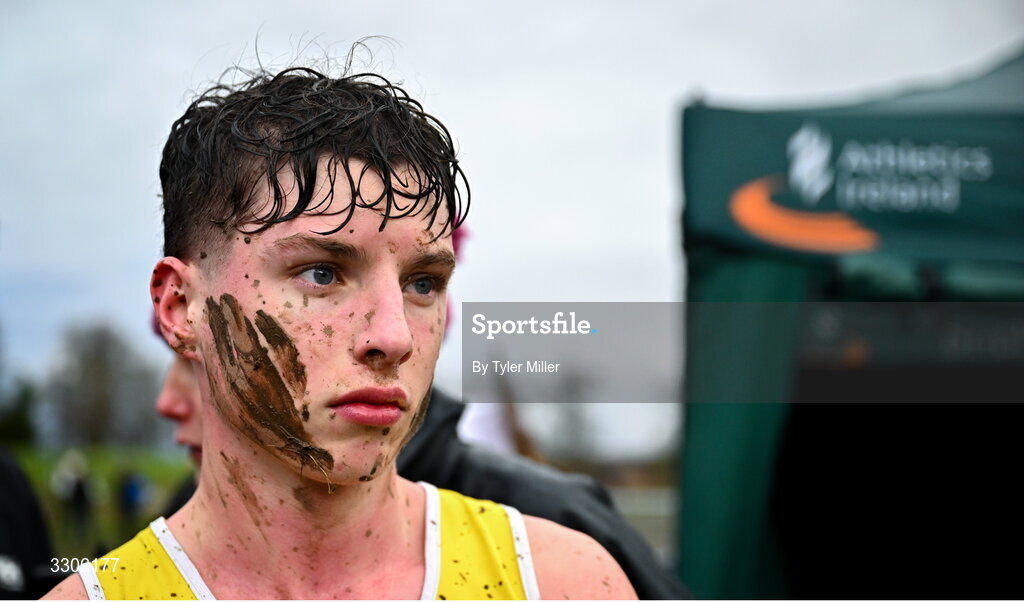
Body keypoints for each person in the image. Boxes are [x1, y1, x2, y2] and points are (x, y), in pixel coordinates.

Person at [44, 64, 636, 600]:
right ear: (180, 307)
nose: (394, 336)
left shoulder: (565, 583)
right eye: (322, 274)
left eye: (422, 283)